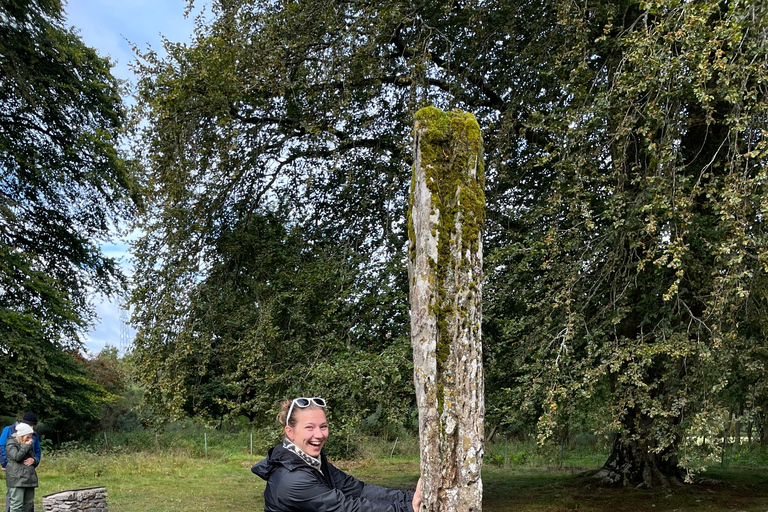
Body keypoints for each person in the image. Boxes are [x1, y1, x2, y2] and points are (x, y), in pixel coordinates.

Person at [252, 397, 422, 512]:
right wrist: (409, 508)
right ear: (290, 432)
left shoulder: (311, 462)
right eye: (309, 427)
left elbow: (357, 490)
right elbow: (347, 508)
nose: (319, 435)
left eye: (323, 426)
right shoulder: (292, 480)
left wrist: (411, 497)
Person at [1, 413, 41, 512]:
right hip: (16, 475)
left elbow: (36, 452)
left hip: (29, 476)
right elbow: (12, 454)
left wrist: (35, 460)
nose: (31, 438)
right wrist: (5, 464)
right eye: (28, 436)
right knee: (15, 503)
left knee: (28, 504)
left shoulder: (31, 438)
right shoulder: (10, 438)